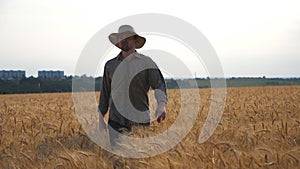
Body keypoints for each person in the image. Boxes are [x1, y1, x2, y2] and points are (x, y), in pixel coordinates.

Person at [98, 25, 168, 148]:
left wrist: (161, 105)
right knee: (117, 161)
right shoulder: (110, 65)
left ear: (135, 41)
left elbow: (159, 85)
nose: (124, 40)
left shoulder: (146, 63)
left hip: (140, 120)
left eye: (127, 37)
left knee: (139, 159)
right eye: (121, 38)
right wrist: (100, 117)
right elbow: (105, 92)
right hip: (116, 121)